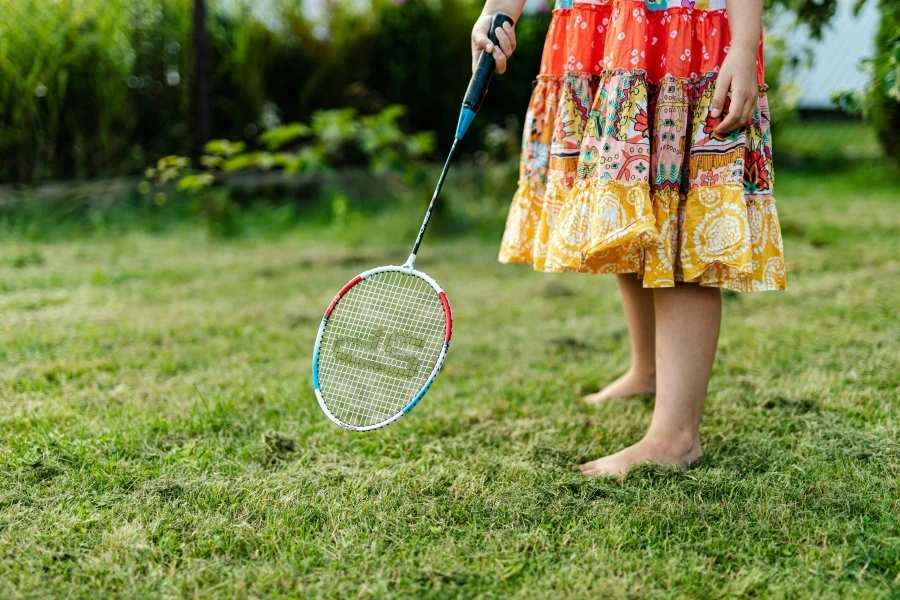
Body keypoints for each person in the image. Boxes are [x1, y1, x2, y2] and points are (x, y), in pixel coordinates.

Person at [472, 0, 786, 477]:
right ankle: (648, 371)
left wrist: (743, 46)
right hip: (602, 29)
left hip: (685, 30)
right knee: (624, 198)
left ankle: (677, 438)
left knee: (679, 215)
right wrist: (498, 11)